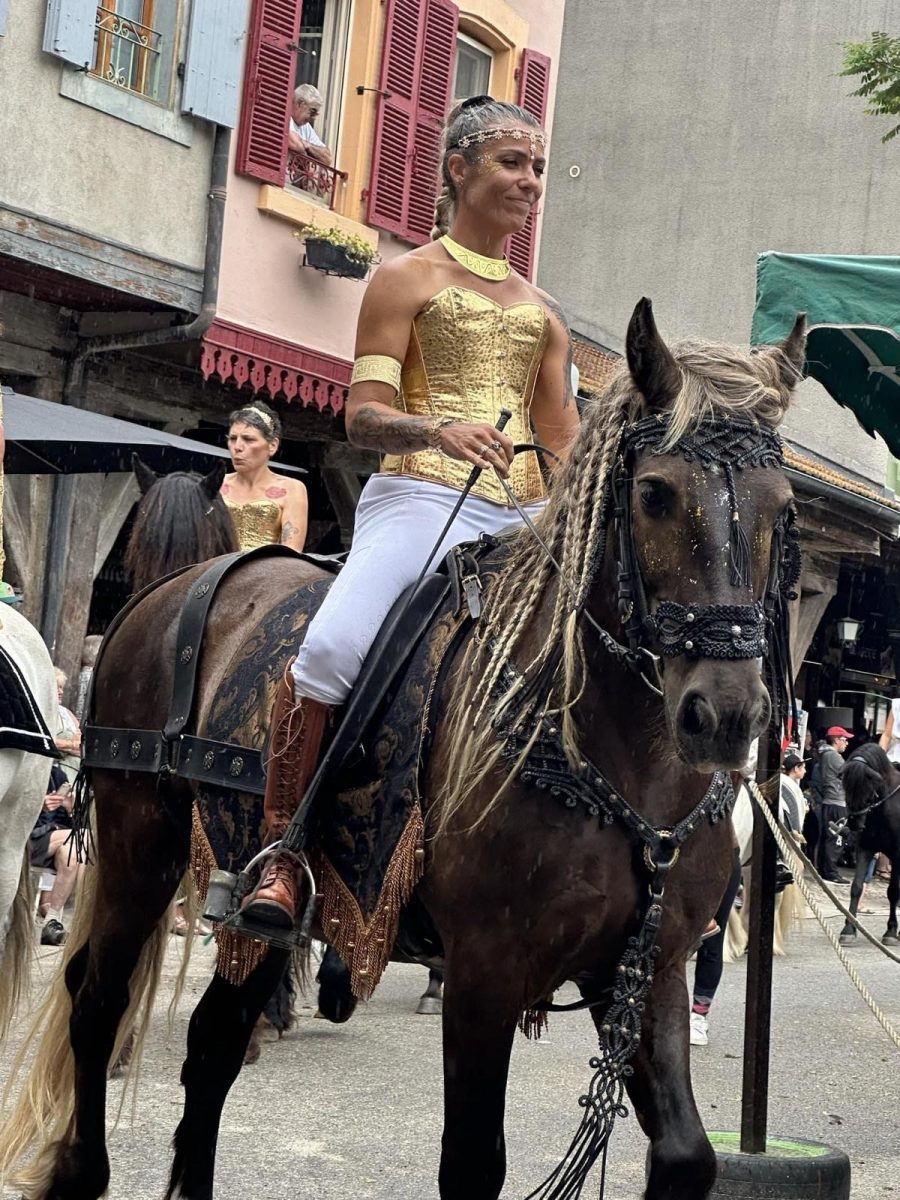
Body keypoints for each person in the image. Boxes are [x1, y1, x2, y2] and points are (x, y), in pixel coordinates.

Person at [244, 95, 580, 929]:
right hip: (420, 494)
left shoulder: (545, 315)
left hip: (518, 520)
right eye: (513, 163)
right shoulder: (404, 277)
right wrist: (438, 427)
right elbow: (359, 416)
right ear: (458, 168)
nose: (531, 182)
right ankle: (284, 854)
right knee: (330, 649)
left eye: (538, 167)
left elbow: (565, 450)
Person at [221, 401, 308, 552]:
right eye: (233, 438)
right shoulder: (216, 484)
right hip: (216, 572)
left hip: (267, 572)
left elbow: (291, 553)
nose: (237, 447)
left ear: (272, 445)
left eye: (248, 439)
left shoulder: (292, 488)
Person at [29, 765, 86, 946]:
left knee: (73, 851)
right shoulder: (27, 773)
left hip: (55, 839)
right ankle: (85, 916)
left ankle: (51, 922)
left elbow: (71, 825)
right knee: (83, 838)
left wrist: (70, 810)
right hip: (27, 839)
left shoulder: (57, 775)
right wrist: (39, 805)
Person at [813, 725, 851, 883]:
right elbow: (848, 774)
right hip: (837, 802)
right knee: (836, 838)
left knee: (827, 837)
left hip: (829, 801)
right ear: (836, 740)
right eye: (844, 739)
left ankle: (824, 870)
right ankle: (831, 873)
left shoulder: (824, 755)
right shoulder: (834, 756)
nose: (847, 743)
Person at [288, 84, 332, 166]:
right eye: (312, 111)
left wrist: (307, 145)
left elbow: (327, 158)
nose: (314, 118)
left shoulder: (306, 127)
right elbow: (296, 145)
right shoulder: (284, 117)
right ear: (300, 104)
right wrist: (307, 151)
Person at [53, 667, 82, 787]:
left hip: (74, 775)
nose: (61, 692)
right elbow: (48, 744)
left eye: (62, 688)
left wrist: (63, 746)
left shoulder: (67, 713)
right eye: (57, 687)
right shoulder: (39, 713)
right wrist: (72, 744)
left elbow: (83, 745)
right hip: (53, 777)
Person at [779, 751, 806, 835]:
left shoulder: (786, 782)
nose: (805, 771)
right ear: (796, 768)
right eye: (803, 767)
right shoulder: (787, 785)